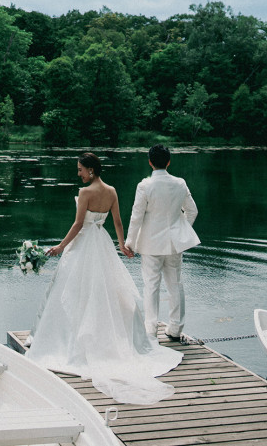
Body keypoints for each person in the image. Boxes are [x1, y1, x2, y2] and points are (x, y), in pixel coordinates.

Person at [26, 152, 182, 404]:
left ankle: (71, 338)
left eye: (80, 170)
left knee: (74, 289)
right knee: (104, 289)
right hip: (102, 242)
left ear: (90, 170)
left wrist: (61, 247)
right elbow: (118, 222)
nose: (78, 174)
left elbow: (78, 225)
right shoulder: (111, 191)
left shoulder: (86, 193)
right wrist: (122, 245)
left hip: (84, 242)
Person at [124, 144, 200, 342]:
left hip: (150, 244)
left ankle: (151, 331)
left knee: (151, 286)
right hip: (174, 244)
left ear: (150, 162)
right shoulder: (180, 183)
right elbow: (192, 211)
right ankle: (175, 329)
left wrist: (129, 243)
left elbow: (136, 217)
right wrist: (181, 230)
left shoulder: (144, 186)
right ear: (168, 162)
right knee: (175, 285)